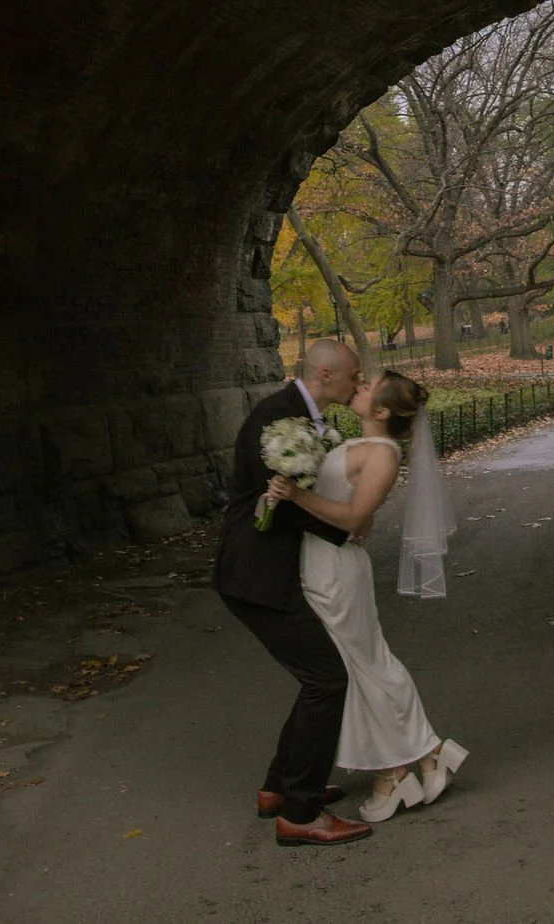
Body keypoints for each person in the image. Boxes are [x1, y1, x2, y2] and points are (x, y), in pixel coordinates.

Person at [266, 369, 468, 824]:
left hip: (336, 570)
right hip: (321, 561)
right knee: (359, 665)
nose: (356, 386)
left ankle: (403, 764)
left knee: (361, 664)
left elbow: (356, 517)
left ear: (381, 411)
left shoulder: (382, 452)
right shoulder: (359, 444)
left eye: (365, 387)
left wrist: (297, 495)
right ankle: (416, 757)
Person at [214, 338, 373, 848]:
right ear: (327, 375)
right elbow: (278, 502)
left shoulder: (302, 418)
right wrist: (344, 530)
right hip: (255, 573)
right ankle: (300, 814)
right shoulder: (277, 417)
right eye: (354, 375)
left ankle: (279, 789)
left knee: (317, 679)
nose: (359, 383)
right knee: (327, 680)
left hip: (266, 571)